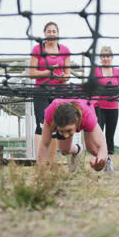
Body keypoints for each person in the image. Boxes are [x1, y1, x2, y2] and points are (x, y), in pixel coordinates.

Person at [29, 22, 71, 159]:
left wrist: (62, 77)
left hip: (59, 91)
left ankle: (51, 161)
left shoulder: (65, 50)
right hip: (41, 90)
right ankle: (40, 161)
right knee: (41, 124)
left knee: (56, 124)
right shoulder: (37, 49)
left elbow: (67, 75)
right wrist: (48, 72)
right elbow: (31, 73)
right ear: (44, 33)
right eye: (49, 31)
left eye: (54, 31)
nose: (51, 34)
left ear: (58, 33)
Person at [38, 98, 114, 173]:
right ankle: (77, 150)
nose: (66, 135)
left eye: (69, 130)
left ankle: (108, 161)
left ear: (77, 121)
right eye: (61, 131)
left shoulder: (88, 116)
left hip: (89, 104)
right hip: (65, 107)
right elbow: (44, 144)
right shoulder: (50, 113)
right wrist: (40, 172)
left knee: (92, 148)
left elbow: (102, 145)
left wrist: (100, 162)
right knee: (64, 150)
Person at [94, 46, 119, 160]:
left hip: (113, 107)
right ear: (100, 58)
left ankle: (109, 161)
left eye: (108, 56)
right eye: (103, 56)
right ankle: (98, 159)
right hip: (99, 107)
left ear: (111, 57)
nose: (106, 58)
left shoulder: (118, 71)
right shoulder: (96, 71)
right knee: (98, 134)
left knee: (110, 135)